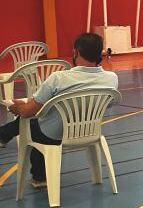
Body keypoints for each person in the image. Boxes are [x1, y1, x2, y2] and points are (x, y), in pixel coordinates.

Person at [0, 33, 118, 191]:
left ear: (75, 52)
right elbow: (109, 104)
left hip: (54, 134)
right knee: (37, 122)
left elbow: (28, 112)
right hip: (89, 133)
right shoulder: (111, 78)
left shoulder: (58, 78)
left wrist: (18, 107)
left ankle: (39, 176)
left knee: (31, 124)